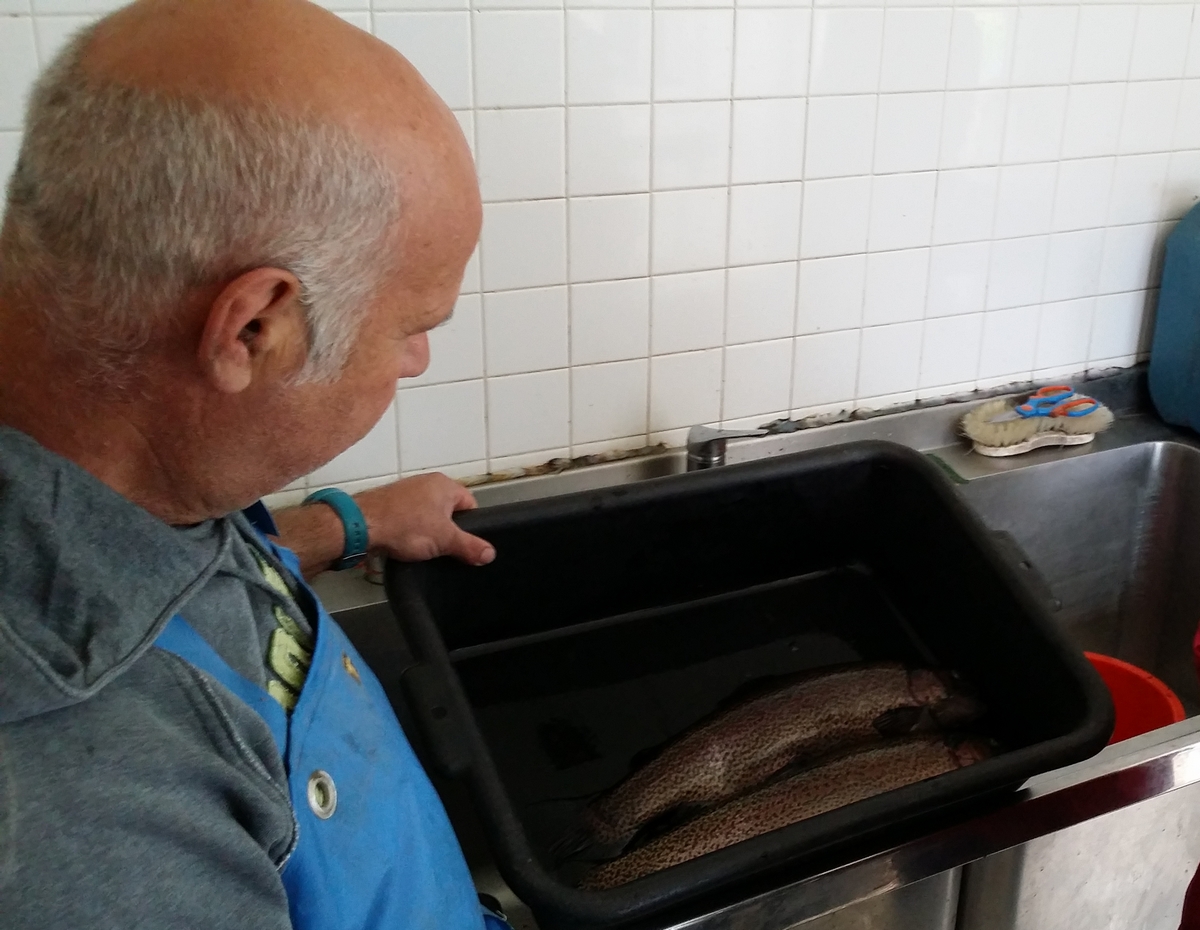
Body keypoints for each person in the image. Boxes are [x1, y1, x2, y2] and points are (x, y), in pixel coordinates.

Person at [0, 0, 505, 927]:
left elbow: (168, 580)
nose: (418, 361)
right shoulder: (81, 817)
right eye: (412, 328)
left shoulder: (106, 425)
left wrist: (348, 526)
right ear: (252, 328)